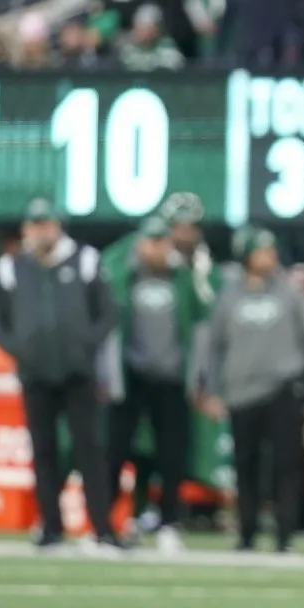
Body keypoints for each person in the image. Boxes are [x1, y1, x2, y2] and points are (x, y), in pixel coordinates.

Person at [0, 197, 121, 550]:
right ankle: (50, 527)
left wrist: (85, 346)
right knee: (43, 450)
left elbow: (107, 312)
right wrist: (20, 348)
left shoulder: (85, 259)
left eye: (46, 224)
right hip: (35, 372)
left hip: (78, 372)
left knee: (89, 451)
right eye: (34, 225)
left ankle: (103, 528)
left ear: (57, 226)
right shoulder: (11, 266)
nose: (40, 231)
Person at [198, 228, 304, 552]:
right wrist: (211, 388)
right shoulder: (228, 296)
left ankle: (285, 533)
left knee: (286, 464)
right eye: (262, 251)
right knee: (245, 465)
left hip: (283, 387)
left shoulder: (291, 293)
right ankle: (246, 532)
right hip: (241, 391)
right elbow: (214, 345)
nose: (270, 257)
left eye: (272, 251)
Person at [105, 217, 208, 555]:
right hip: (131, 374)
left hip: (172, 376)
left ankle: (169, 522)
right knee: (118, 450)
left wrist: (198, 375)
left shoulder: (183, 278)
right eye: (151, 242)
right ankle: (105, 521)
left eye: (162, 242)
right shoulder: (125, 275)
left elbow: (200, 324)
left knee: (172, 455)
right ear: (140, 244)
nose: (156, 249)